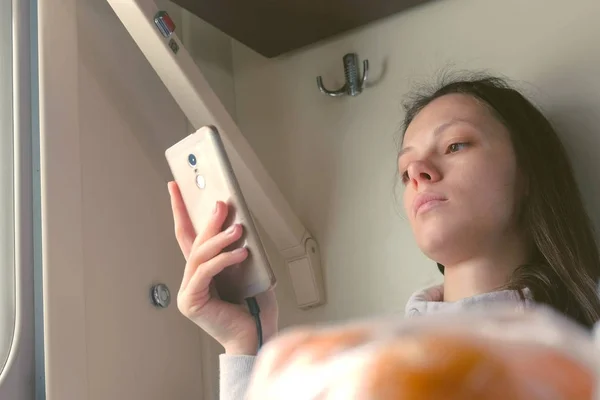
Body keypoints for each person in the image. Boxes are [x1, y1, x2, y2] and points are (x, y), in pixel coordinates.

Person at [167, 73, 600, 400]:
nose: (418, 172)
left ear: (527, 172)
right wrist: (246, 342)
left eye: (455, 146)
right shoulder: (352, 366)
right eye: (405, 169)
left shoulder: (585, 351)